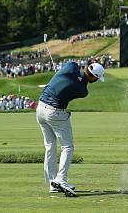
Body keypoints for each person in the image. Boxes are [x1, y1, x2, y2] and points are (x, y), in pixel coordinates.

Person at [36, 61, 105, 197]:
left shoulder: (71, 66)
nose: (96, 81)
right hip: (55, 112)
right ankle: (61, 179)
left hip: (40, 109)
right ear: (93, 77)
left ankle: (52, 183)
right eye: (97, 78)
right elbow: (80, 82)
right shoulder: (83, 91)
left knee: (50, 146)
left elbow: (71, 66)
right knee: (67, 147)